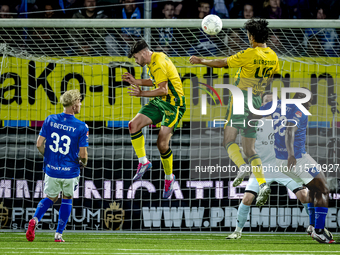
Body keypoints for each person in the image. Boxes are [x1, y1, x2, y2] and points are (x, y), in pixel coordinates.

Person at [189, 18, 279, 206]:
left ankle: (242, 167)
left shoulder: (249, 53)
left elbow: (223, 62)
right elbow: (271, 77)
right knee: (249, 148)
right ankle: (262, 184)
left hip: (241, 98)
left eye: (248, 35)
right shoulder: (273, 56)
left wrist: (200, 60)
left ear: (252, 36)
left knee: (228, 140)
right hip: (256, 101)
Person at [226, 92, 309, 239]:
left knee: (304, 195)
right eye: (266, 102)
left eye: (272, 102)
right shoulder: (254, 124)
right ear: (262, 105)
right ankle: (237, 231)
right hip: (262, 169)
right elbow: (247, 149)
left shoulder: (286, 122)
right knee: (247, 199)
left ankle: (316, 227)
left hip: (283, 168)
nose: (269, 105)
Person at [260, 89, 335, 243]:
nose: (310, 104)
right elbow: (289, 131)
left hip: (286, 158)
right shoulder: (299, 110)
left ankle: (313, 226)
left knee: (315, 188)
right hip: (295, 159)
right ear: (304, 100)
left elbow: (258, 111)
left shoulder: (279, 105)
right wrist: (291, 154)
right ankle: (319, 231)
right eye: (310, 101)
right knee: (323, 190)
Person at [122, 40, 186, 199]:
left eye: (136, 58)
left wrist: (141, 93)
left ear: (143, 53)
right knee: (133, 125)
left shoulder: (158, 62)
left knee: (162, 145)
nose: (136, 62)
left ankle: (169, 178)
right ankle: (143, 162)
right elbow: (156, 81)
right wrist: (136, 81)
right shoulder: (154, 60)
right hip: (161, 102)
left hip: (173, 104)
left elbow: (163, 89)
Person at [26, 89, 89, 242]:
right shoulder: (81, 126)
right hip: (70, 171)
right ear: (74, 105)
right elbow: (83, 155)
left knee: (50, 197)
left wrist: (49, 157)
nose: (80, 104)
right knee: (67, 198)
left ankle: (35, 219)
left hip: (52, 169)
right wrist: (83, 163)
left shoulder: (50, 119)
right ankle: (58, 235)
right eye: (79, 102)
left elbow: (39, 144)